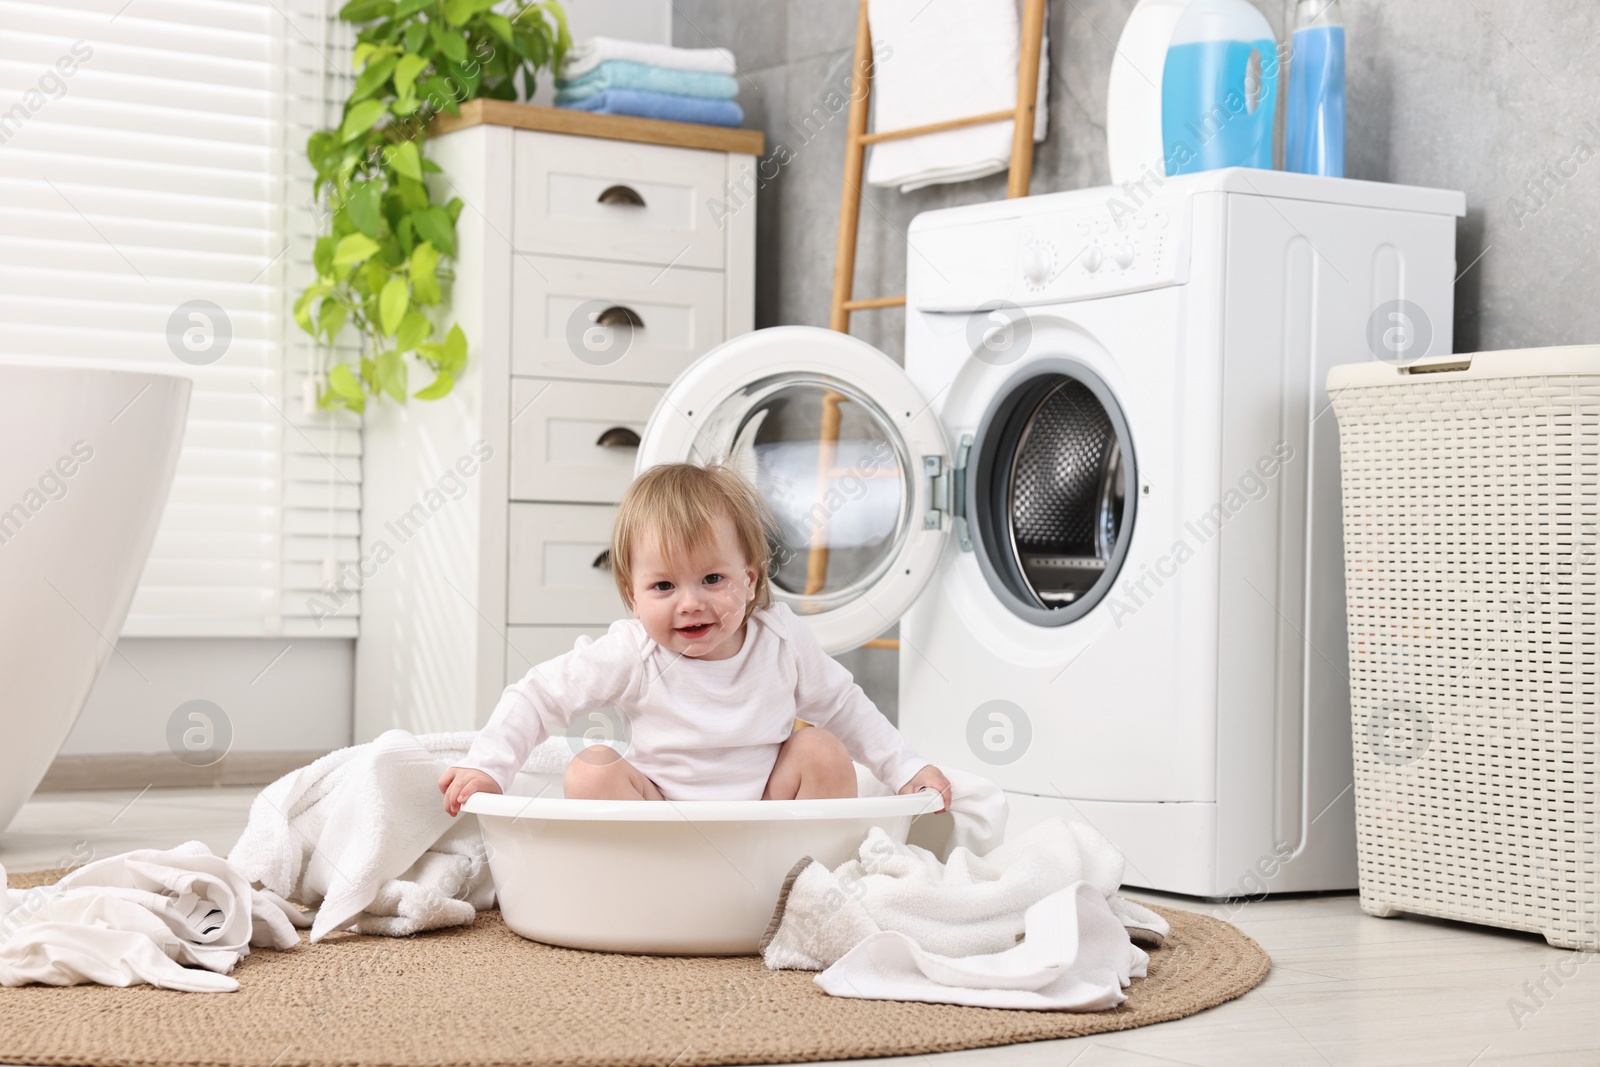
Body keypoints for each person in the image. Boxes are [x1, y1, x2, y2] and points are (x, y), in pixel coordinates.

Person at [438, 461, 951, 815]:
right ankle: (649, 892)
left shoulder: (781, 640)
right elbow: (539, 695)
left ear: (749, 581)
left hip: (765, 821)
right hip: (661, 826)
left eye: (712, 580)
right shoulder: (632, 651)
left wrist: (906, 768)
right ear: (632, 595)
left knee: (821, 748)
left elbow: (844, 706)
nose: (690, 603)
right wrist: (487, 767)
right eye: (663, 586)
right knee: (590, 771)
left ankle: (812, 884)